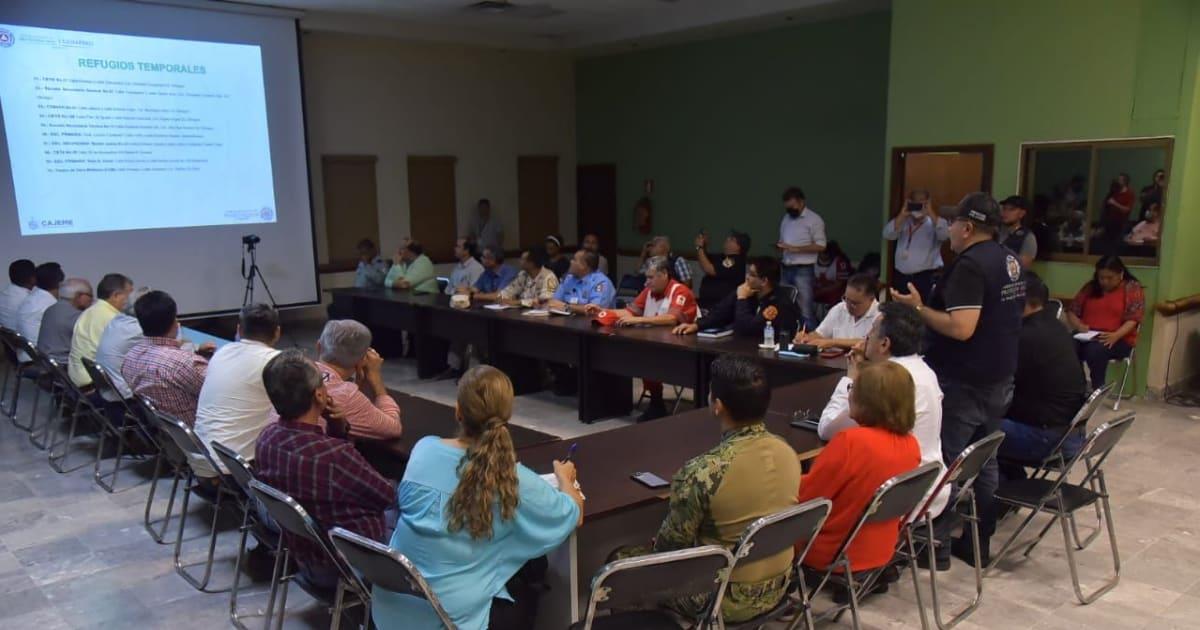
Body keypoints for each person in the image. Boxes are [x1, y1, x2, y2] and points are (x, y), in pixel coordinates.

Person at [376, 367, 584, 630]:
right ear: (508, 415)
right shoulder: (511, 479)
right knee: (531, 572)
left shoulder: (424, 449)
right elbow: (573, 513)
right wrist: (565, 478)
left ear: (458, 411)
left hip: (391, 609)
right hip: (447, 619)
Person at [889, 192, 1025, 567]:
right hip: (1000, 375)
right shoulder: (1009, 258)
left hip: (967, 379)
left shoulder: (970, 265)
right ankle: (979, 543)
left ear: (967, 227)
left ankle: (937, 550)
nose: (947, 228)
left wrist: (917, 309)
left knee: (946, 463)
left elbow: (962, 328)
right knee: (985, 460)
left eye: (952, 223)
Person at [614, 355, 801, 623]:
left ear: (717, 406)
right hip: (779, 587)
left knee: (620, 562)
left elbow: (668, 552)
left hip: (722, 598)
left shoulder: (702, 472)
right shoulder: (787, 452)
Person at [817, 302, 950, 562]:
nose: (865, 338)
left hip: (893, 497)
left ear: (884, 343)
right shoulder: (925, 371)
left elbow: (827, 429)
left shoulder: (886, 383)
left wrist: (851, 378)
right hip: (927, 483)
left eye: (871, 332)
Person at [255, 349, 396, 590]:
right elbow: (387, 496)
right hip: (351, 567)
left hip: (307, 558)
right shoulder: (334, 456)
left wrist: (336, 426)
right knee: (409, 502)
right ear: (320, 395)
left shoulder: (266, 439)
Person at [797, 361, 921, 598]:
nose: (850, 393)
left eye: (853, 388)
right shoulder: (911, 445)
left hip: (831, 549)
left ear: (870, 401)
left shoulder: (851, 442)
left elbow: (807, 498)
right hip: (881, 547)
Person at [999, 272, 1088, 481]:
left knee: (973, 429)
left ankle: (996, 498)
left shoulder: (1025, 337)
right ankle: (1010, 488)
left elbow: (998, 383)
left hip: (1048, 439)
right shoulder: (1056, 327)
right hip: (1069, 432)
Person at [590, 256, 697, 421]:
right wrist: (601, 311)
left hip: (686, 351)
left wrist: (639, 320)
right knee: (639, 355)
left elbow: (671, 319)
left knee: (647, 358)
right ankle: (655, 403)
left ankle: (657, 404)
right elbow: (629, 312)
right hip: (657, 345)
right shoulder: (649, 291)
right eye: (646, 277)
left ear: (664, 274)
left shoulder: (680, 291)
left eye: (650, 277)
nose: (646, 282)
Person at [193, 304, 282, 475]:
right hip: (238, 471)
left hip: (200, 463)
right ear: (277, 332)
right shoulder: (277, 362)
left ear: (239, 330)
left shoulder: (222, 351)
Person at [121, 291, 210, 426]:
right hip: (197, 429)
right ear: (174, 321)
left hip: (165, 433)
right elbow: (221, 392)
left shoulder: (130, 356)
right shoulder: (185, 363)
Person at [313, 319, 403, 440]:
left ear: (318, 346)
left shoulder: (295, 371)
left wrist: (360, 383)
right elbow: (393, 428)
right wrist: (376, 380)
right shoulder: (346, 394)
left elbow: (354, 413)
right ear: (362, 360)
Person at [1065, 255, 1144, 389]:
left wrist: (1116, 335)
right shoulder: (1091, 287)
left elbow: (1133, 319)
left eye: (1110, 278)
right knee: (1066, 345)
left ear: (1121, 274)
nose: (1105, 282)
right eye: (1101, 278)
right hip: (1088, 334)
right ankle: (1077, 385)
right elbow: (1072, 311)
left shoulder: (1131, 288)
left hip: (1118, 338)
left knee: (1095, 350)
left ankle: (1097, 388)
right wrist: (1078, 325)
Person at [673, 256, 798, 340]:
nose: (747, 277)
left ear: (764, 281)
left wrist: (742, 299)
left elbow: (746, 329)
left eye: (752, 275)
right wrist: (697, 325)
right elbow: (719, 312)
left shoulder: (778, 303)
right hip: (741, 348)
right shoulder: (748, 291)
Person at [883, 189, 949, 300]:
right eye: (915, 202)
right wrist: (902, 214)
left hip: (925, 279)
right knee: (901, 313)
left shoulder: (935, 222)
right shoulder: (903, 222)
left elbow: (944, 236)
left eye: (922, 202)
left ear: (928, 202)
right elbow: (888, 234)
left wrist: (930, 212)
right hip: (901, 278)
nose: (918, 205)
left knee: (922, 313)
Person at [69, 273, 133, 387]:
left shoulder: (91, 310)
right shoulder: (112, 318)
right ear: (116, 295)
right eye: (129, 294)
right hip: (95, 382)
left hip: (78, 376)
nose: (131, 299)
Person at [777, 187, 827, 330]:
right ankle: (788, 337)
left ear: (801, 202)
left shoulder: (814, 220)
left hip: (803, 270)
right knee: (785, 305)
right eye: (788, 208)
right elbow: (783, 239)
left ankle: (813, 340)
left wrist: (797, 249)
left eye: (793, 207)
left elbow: (821, 245)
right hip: (786, 266)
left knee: (805, 308)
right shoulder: (786, 218)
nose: (790, 210)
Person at [796, 273, 880, 351]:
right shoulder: (839, 309)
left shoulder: (880, 315)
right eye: (846, 299)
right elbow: (820, 334)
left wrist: (831, 342)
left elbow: (869, 343)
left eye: (855, 303)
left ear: (871, 299)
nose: (849, 306)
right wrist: (806, 338)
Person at [37, 278, 92, 364]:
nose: (92, 300)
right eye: (90, 295)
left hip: (45, 361)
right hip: (62, 366)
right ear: (80, 296)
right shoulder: (75, 315)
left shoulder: (51, 309)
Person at [479, 248, 558, 306]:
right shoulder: (523, 274)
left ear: (531, 263)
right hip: (524, 314)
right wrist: (501, 298)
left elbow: (544, 301)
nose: (519, 261)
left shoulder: (549, 277)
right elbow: (509, 291)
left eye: (523, 259)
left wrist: (518, 302)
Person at [694, 229, 749, 308]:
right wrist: (704, 245)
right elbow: (705, 259)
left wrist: (699, 247)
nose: (727, 239)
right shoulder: (723, 257)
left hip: (720, 306)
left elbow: (710, 269)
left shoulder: (735, 261)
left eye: (732, 239)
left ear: (738, 247)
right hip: (707, 302)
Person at [547, 250, 614, 314]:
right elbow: (553, 302)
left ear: (583, 265)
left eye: (574, 260)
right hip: (567, 321)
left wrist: (567, 307)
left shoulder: (601, 282)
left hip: (594, 323)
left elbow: (594, 310)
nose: (571, 261)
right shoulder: (569, 279)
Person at [16, 262, 63, 348]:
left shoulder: (31, 298)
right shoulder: (51, 305)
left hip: (27, 354)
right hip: (41, 357)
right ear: (60, 283)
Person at [998, 195, 1038, 268]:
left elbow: (1023, 267)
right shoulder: (994, 231)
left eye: (1011, 209)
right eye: (1004, 209)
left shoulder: (1028, 237)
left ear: (1022, 214)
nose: (1006, 212)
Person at [814, 240, 854, 310]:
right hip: (818, 289)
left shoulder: (840, 262)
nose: (824, 256)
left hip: (834, 291)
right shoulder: (812, 260)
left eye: (826, 253)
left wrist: (822, 290)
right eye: (822, 253)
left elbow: (840, 283)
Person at [0, 259, 36, 331]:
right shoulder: (29, 301)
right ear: (32, 278)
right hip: (23, 340)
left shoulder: (3, 294)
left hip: (6, 340)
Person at [1102, 173, 1135, 248]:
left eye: (1120, 180)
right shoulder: (1114, 191)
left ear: (1125, 182)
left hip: (1121, 222)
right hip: (1110, 222)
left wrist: (1114, 203)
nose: (1118, 181)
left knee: (1118, 244)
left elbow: (1127, 210)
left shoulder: (1129, 193)